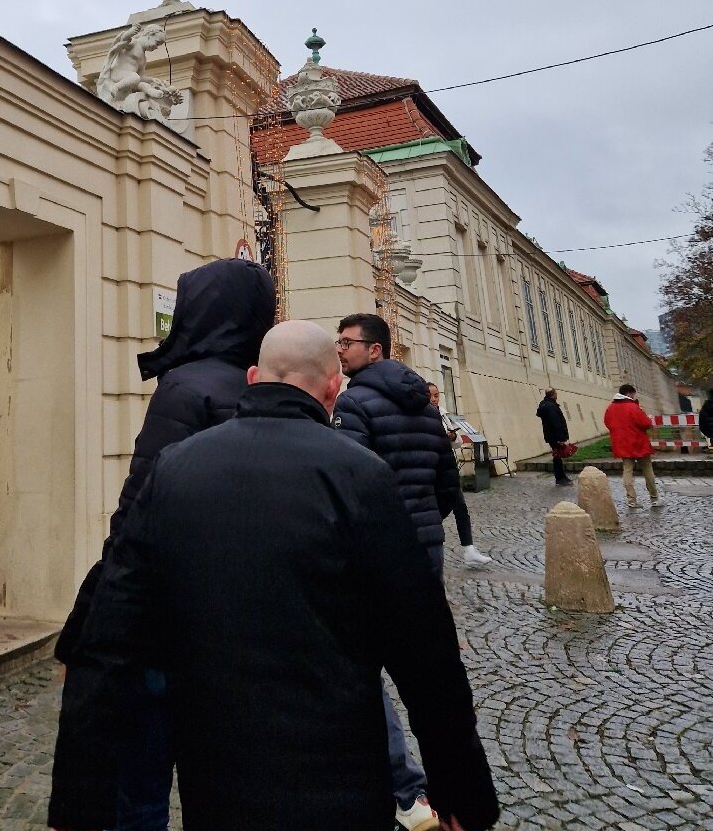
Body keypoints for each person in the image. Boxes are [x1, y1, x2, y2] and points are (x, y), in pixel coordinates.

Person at [48, 322, 499, 831]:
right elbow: (426, 653)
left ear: (253, 376)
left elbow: (109, 635)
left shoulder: (176, 467)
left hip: (216, 773)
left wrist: (78, 801)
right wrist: (461, 794)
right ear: (334, 387)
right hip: (341, 772)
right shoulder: (361, 475)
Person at [52, 257, 277, 831]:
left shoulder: (185, 388)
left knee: (142, 787)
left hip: (163, 627)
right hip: (235, 630)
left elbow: (136, 519)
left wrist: (86, 625)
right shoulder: (264, 386)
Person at [332, 313, 461, 831]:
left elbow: (353, 483)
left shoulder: (353, 402)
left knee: (362, 665)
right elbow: (447, 485)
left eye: (347, 343)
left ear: (376, 351)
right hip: (424, 552)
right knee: (429, 674)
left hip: (376, 556)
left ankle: (405, 789)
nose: (339, 350)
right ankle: (453, 793)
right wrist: (425, 526)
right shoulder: (427, 406)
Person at [427, 382, 491, 568]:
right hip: (436, 470)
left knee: (460, 507)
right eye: (430, 395)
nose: (434, 399)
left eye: (436, 395)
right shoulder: (423, 415)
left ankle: (469, 549)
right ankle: (423, 538)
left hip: (449, 469)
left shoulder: (443, 414)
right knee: (440, 509)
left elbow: (458, 444)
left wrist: (453, 437)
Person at [604, 384, 661, 509]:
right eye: (633, 394)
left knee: (627, 470)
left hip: (622, 443)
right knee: (647, 469)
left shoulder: (610, 408)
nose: (634, 397)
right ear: (629, 393)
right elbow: (645, 423)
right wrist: (649, 419)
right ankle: (654, 498)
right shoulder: (633, 407)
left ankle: (631, 500)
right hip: (638, 442)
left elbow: (607, 423)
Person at [536, 388, 573, 486]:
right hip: (555, 436)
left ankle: (562, 476)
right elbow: (556, 423)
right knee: (557, 457)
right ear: (553, 395)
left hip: (550, 435)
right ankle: (560, 478)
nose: (557, 395)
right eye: (556, 393)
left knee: (558, 456)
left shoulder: (543, 404)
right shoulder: (552, 406)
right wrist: (561, 438)